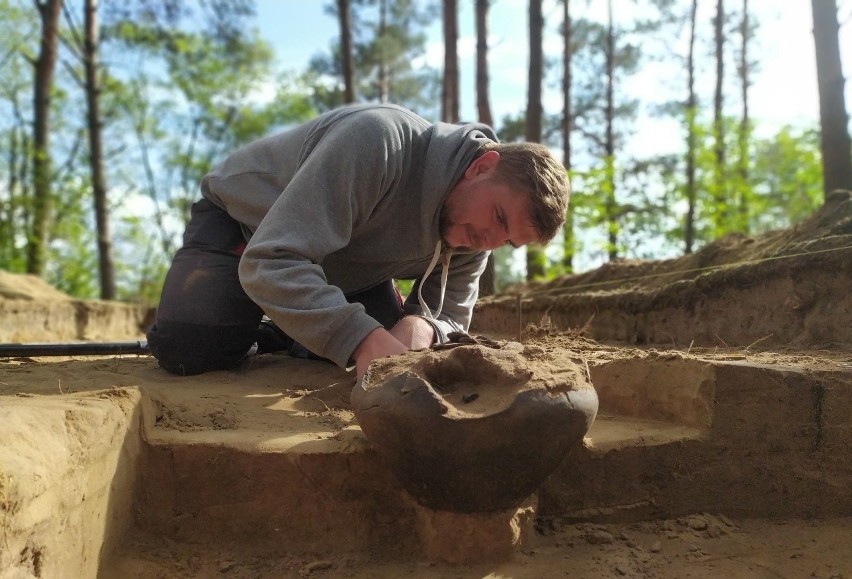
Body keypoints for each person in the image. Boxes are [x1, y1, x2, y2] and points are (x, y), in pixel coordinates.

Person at [146, 103, 569, 378]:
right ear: (482, 167)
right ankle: (261, 323)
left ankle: (286, 331)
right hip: (246, 226)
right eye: (498, 217)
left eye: (509, 241)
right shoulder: (378, 142)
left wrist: (422, 325)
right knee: (191, 347)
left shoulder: (473, 235)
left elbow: (452, 313)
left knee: (387, 351)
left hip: (347, 265)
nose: (488, 242)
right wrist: (363, 338)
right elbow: (271, 260)